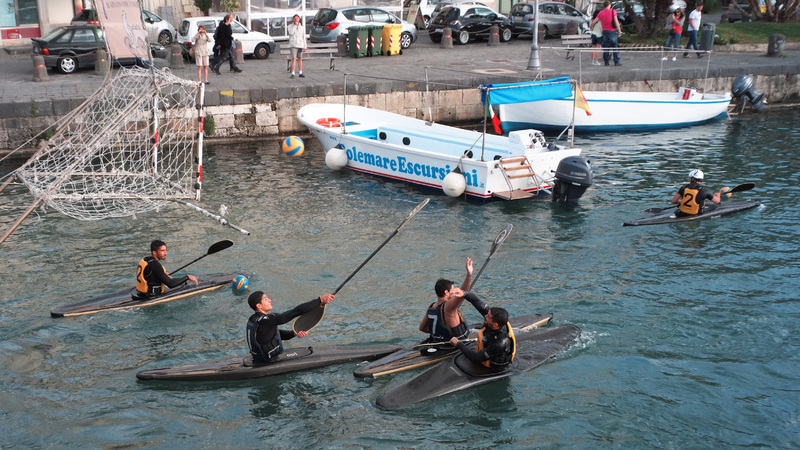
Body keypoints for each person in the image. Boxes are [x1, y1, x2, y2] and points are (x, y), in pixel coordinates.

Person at [246, 290, 334, 363]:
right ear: (259, 306)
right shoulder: (268, 320)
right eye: (265, 299)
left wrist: (294, 333)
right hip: (268, 361)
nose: (270, 300)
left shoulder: (254, 319)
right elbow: (296, 311)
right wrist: (320, 300)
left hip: (258, 359)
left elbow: (275, 335)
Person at [419, 258, 482, 342]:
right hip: (454, 346)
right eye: (452, 290)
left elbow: (422, 328)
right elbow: (463, 294)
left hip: (438, 341)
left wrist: (440, 333)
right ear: (446, 292)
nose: (455, 292)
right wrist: (469, 275)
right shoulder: (448, 306)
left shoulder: (432, 307)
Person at [450, 306, 516, 371]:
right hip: (491, 348)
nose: (485, 316)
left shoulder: (499, 344)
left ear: (495, 325)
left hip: (493, 367)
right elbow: (478, 303)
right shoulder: (499, 319)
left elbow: (475, 358)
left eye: (488, 316)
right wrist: (465, 295)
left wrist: (458, 343)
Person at [590, 0, 622, 67]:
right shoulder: (613, 11)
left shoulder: (601, 13)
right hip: (612, 31)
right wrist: (619, 30)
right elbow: (616, 21)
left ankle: (606, 62)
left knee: (605, 47)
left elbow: (594, 21)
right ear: (609, 5)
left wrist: (591, 27)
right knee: (614, 47)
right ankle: (616, 62)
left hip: (604, 31)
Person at [287, 14, 306, 78]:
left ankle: (300, 72)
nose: (296, 20)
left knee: (300, 58)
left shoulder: (302, 27)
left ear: (299, 19)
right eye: (295, 19)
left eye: (297, 18)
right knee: (294, 59)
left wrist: (305, 46)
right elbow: (291, 33)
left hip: (300, 44)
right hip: (293, 45)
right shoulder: (290, 26)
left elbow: (303, 37)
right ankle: (293, 73)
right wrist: (295, 26)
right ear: (293, 20)